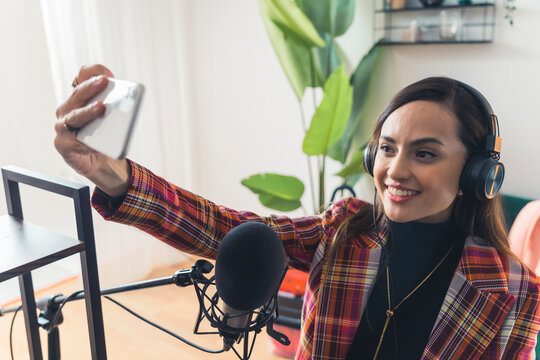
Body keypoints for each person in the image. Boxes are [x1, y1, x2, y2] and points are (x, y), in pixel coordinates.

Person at [54, 64, 540, 359]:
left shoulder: (515, 293)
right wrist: (114, 176)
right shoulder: (344, 229)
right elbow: (223, 229)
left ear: (478, 174)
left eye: (426, 153)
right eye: (387, 148)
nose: (395, 170)